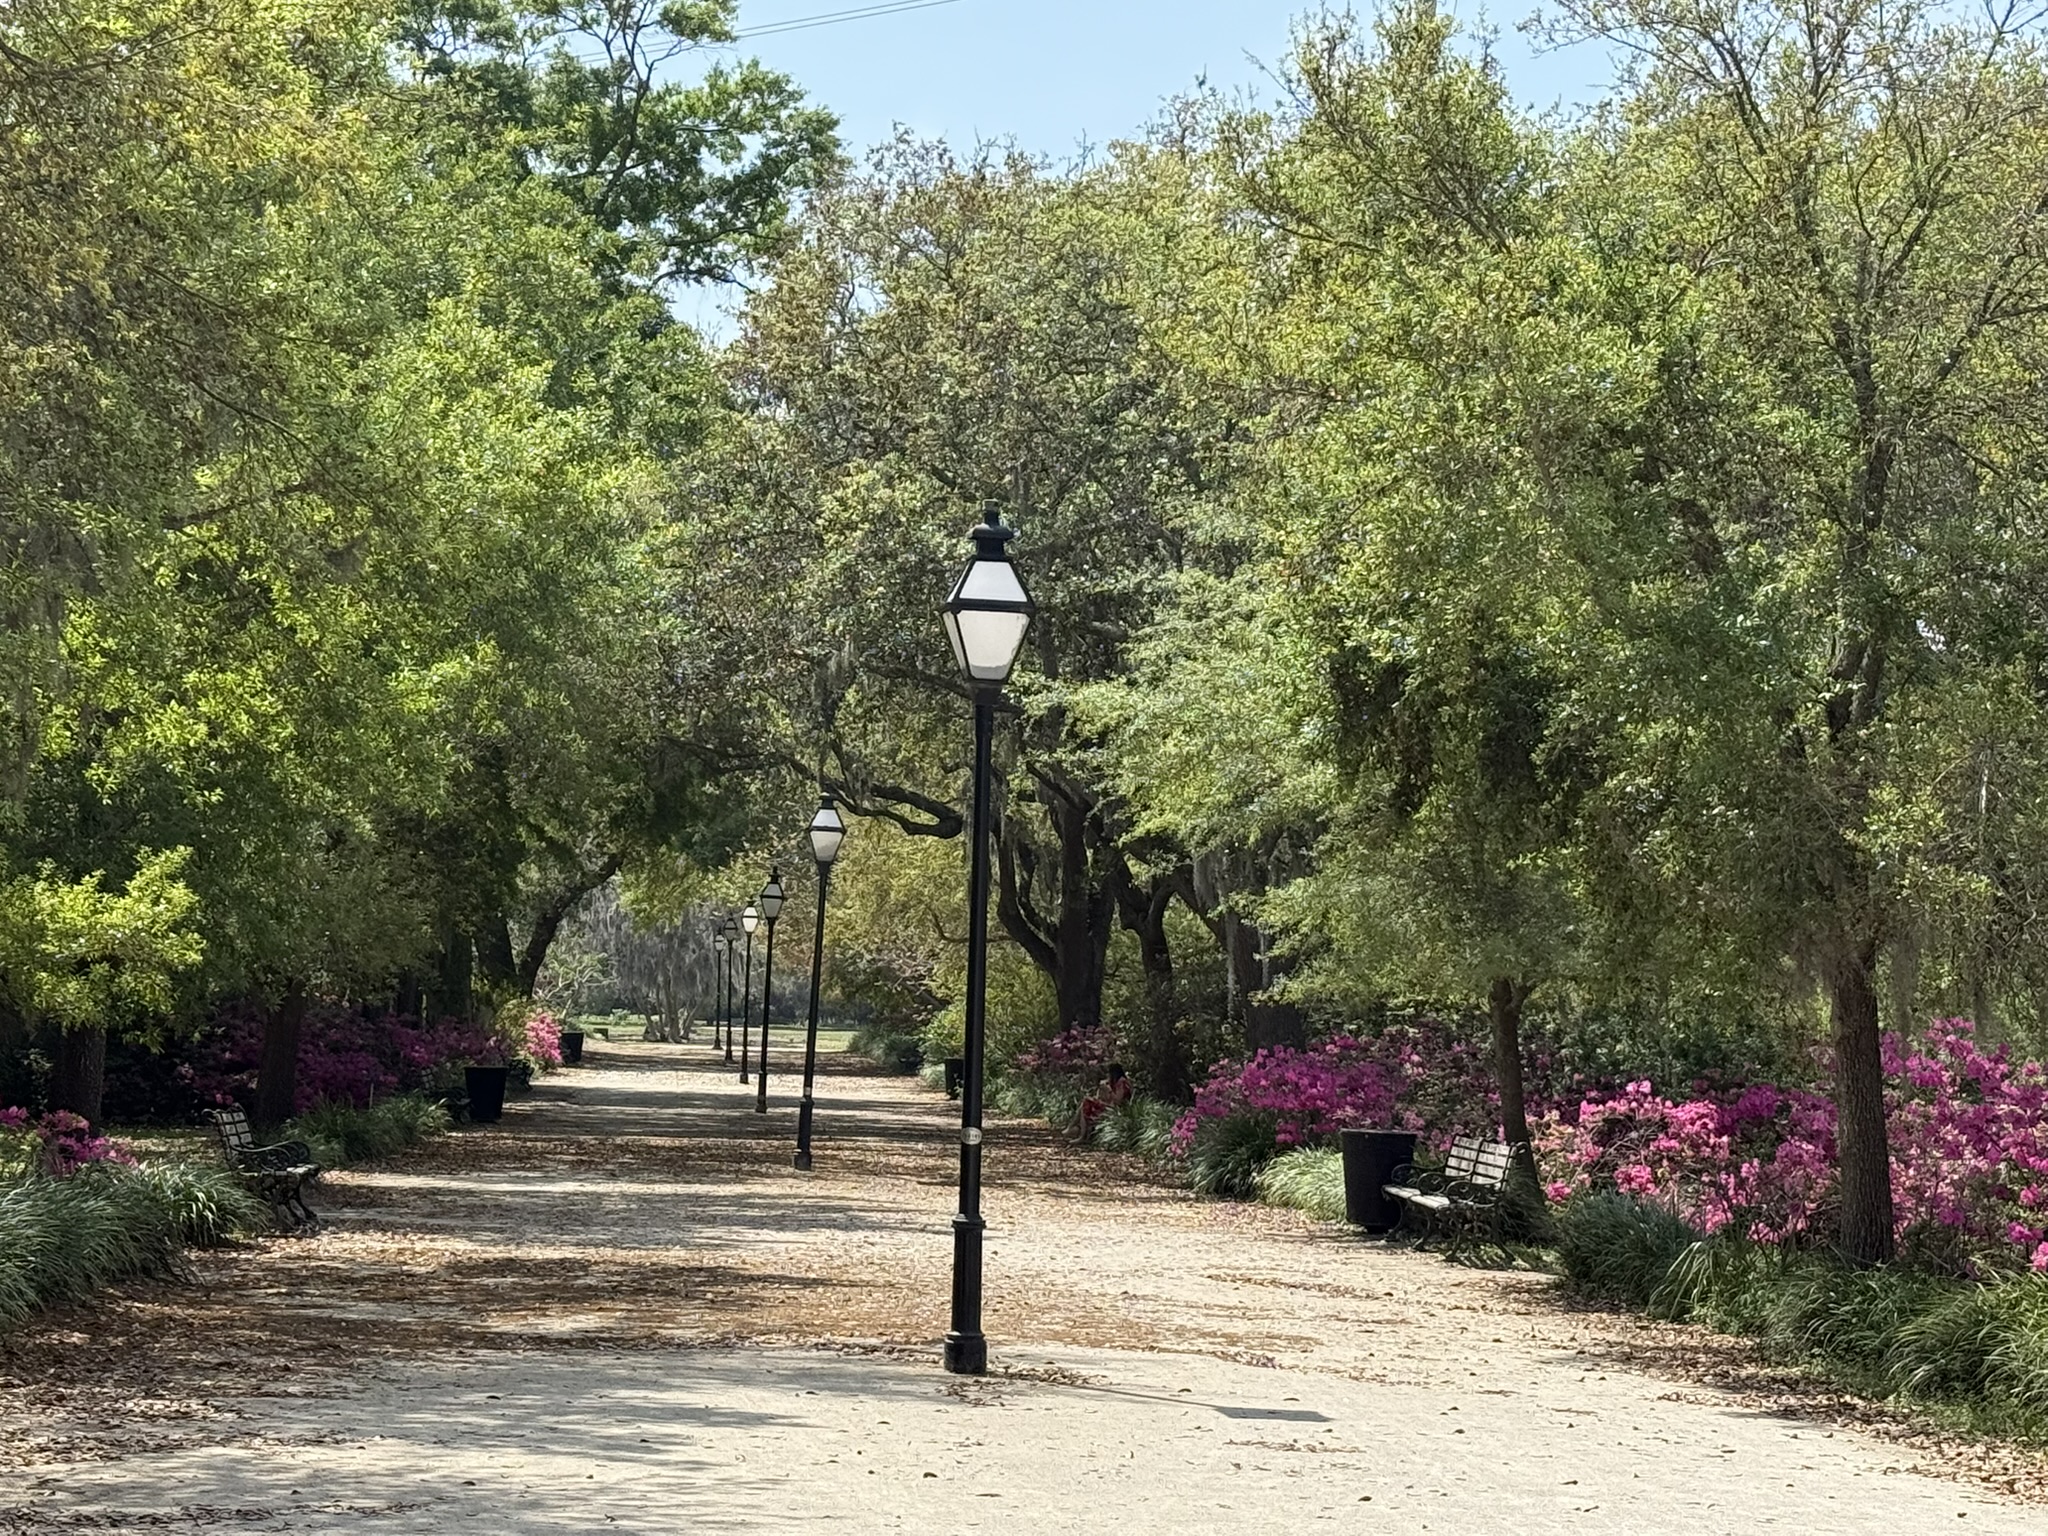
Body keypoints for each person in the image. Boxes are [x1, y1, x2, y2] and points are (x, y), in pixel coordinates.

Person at [1078, 1063, 1133, 1143]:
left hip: (1117, 1110)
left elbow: (1118, 1100)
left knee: (1086, 1102)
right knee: (1086, 1102)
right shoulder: (1114, 1083)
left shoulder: (1122, 1083)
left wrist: (1109, 1090)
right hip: (1110, 1106)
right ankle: (1078, 1132)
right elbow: (1106, 1098)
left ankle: (1081, 1136)